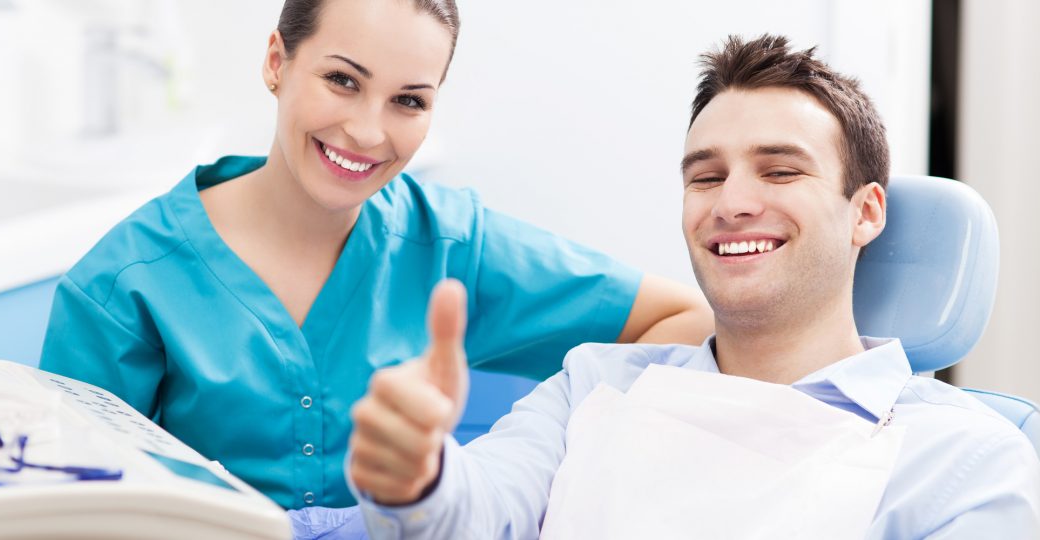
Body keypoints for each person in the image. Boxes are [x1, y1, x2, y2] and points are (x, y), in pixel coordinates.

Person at [346, 34, 1040, 538]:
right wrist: (420, 477)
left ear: (865, 213)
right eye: (705, 177)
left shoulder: (962, 459)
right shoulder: (594, 385)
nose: (731, 203)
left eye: (780, 171)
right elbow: (476, 510)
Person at [37, 0, 713, 511]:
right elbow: (65, 507)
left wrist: (531, 461)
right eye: (343, 81)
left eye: (408, 101)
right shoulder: (123, 285)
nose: (367, 131)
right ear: (277, 62)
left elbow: (682, 321)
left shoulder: (451, 244)